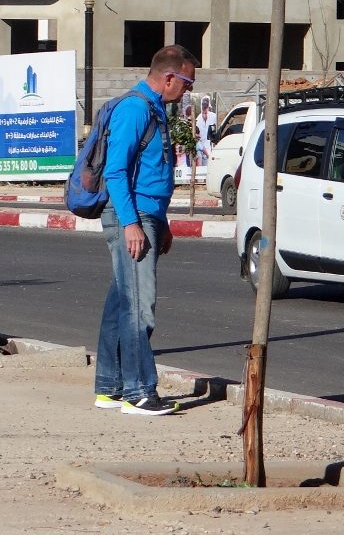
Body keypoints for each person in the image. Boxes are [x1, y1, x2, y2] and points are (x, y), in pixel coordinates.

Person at [93, 44, 198, 416]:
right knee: (140, 307)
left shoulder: (153, 108)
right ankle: (139, 392)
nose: (188, 90)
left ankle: (109, 386)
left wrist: (162, 222)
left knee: (122, 301)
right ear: (169, 77)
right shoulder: (136, 108)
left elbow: (151, 172)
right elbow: (116, 171)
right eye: (187, 82)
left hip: (146, 215)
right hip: (132, 215)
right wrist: (132, 223)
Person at [195, 95, 216, 166]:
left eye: (206, 102)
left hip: (211, 148)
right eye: (203, 103)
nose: (204, 104)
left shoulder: (214, 116)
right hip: (201, 150)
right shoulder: (198, 119)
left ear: (208, 104)